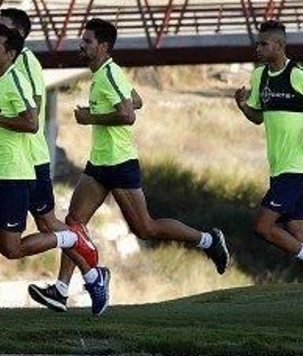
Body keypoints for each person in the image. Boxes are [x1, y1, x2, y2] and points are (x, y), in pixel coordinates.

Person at [28, 18, 231, 315]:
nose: (81, 45)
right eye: (82, 40)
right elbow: (136, 100)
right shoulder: (105, 74)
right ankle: (61, 290)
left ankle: (209, 240)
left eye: (87, 41)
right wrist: (121, 104)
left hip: (119, 163)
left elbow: (128, 115)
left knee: (145, 228)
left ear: (103, 47)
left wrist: (91, 117)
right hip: (99, 163)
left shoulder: (109, 75)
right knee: (74, 222)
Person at [0, 25, 100, 327]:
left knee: (10, 249)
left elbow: (32, 123)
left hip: (15, 176)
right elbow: (2, 130)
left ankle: (69, 237)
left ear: (10, 53)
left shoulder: (17, 81)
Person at [0, 7, 113, 315]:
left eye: (3, 28)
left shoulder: (25, 63)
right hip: (6, 157)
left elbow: (31, 112)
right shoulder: (7, 65)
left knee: (46, 225)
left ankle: (91, 275)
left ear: (18, 34)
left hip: (28, 159)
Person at [233, 21, 303, 330]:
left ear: (280, 46)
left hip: (298, 167)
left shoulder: (298, 74)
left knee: (263, 226)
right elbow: (258, 117)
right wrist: (243, 106)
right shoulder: (259, 76)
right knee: (299, 239)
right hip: (278, 169)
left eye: (264, 44)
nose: (258, 48)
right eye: (257, 44)